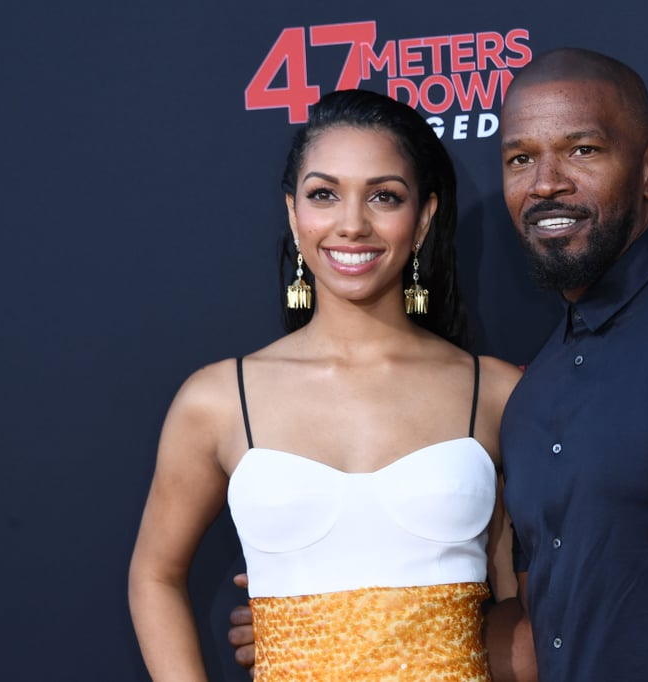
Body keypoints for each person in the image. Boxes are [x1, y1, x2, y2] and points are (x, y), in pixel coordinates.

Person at [230, 48, 648, 681]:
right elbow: (545, 629)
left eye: (582, 150)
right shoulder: (538, 387)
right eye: (521, 158)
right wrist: (336, 629)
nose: (547, 183)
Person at [128, 88, 523, 681]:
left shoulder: (494, 393)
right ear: (293, 214)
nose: (352, 224)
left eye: (384, 196)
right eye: (324, 194)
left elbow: (529, 599)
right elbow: (153, 575)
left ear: (424, 218)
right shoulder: (216, 400)